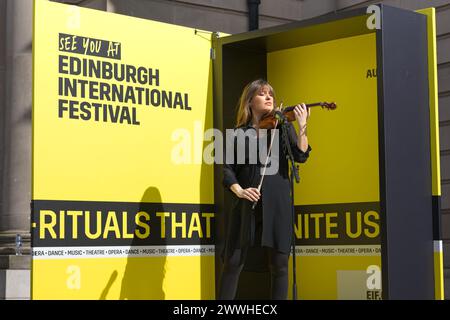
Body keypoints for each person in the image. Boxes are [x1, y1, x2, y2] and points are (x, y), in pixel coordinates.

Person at [218, 79, 312, 300]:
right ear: (250, 101)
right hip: (246, 203)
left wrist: (302, 126)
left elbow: (301, 155)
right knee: (233, 262)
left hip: (278, 203)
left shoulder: (283, 127)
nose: (269, 97)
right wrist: (239, 191)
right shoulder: (240, 133)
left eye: (271, 93)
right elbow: (227, 170)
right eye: (262, 94)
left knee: (279, 266)